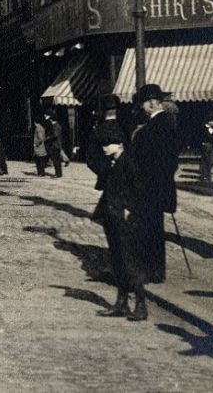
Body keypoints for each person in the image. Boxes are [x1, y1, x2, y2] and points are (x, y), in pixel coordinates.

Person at [124, 83, 180, 321]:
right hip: (160, 186)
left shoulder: (154, 128)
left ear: (151, 103)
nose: (142, 107)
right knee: (155, 228)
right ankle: (156, 271)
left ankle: (149, 271)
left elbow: (150, 160)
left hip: (150, 187)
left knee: (146, 229)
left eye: (143, 103)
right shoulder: (166, 124)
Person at [88, 94, 139, 318]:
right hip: (111, 208)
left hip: (123, 210)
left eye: (109, 145)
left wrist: (130, 208)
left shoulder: (126, 161)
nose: (105, 148)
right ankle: (122, 301)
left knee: (126, 256)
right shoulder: (121, 133)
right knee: (117, 255)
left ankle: (140, 303)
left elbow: (136, 187)